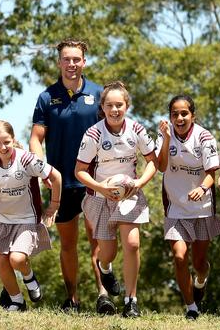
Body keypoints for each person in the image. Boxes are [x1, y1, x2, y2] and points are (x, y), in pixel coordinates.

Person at [29, 39, 111, 313]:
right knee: (68, 244)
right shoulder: (46, 97)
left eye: (77, 59)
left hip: (94, 180)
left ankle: (103, 295)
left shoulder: (99, 95)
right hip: (61, 184)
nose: (72, 64)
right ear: (59, 62)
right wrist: (43, 169)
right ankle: (72, 299)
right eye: (67, 59)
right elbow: (36, 139)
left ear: (84, 62)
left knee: (97, 240)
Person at [74, 81, 157, 318]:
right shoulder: (93, 134)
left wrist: (139, 183)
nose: (115, 110)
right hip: (100, 197)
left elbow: (152, 161)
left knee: (132, 244)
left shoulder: (137, 130)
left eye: (119, 105)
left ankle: (131, 301)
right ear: (102, 107)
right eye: (109, 105)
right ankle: (105, 268)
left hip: (129, 195)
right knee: (107, 252)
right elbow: (79, 171)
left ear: (127, 106)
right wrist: (101, 186)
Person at [155, 95, 220, 320]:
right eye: (174, 114)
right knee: (179, 256)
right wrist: (166, 139)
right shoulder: (164, 134)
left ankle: (201, 280)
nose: (179, 118)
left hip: (202, 208)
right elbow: (162, 166)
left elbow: (211, 175)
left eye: (184, 113)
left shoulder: (204, 137)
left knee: (199, 263)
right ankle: (191, 308)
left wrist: (202, 189)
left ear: (192, 115)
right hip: (175, 207)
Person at [0, 120, 61, 311]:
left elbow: (56, 176)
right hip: (3, 220)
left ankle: (29, 276)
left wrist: (54, 205)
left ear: (13, 139)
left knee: (16, 259)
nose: (3, 147)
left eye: (7, 142)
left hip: (27, 219)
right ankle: (17, 301)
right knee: (1, 261)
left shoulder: (26, 159)